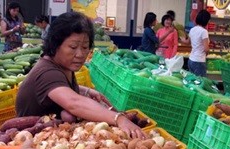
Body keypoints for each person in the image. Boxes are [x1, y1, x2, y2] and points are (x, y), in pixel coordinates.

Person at [16, 11, 145, 139]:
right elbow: (74, 103)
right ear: (55, 45)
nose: (80, 54)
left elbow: (59, 89)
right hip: (30, 142)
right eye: (73, 47)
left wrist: (85, 90)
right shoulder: (47, 73)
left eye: (85, 47)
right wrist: (119, 118)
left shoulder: (62, 65)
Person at [188, 9, 211, 77]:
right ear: (206, 20)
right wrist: (206, 54)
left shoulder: (192, 29)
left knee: (193, 81)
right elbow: (206, 49)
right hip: (199, 61)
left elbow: (188, 42)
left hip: (191, 59)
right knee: (201, 82)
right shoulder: (204, 32)